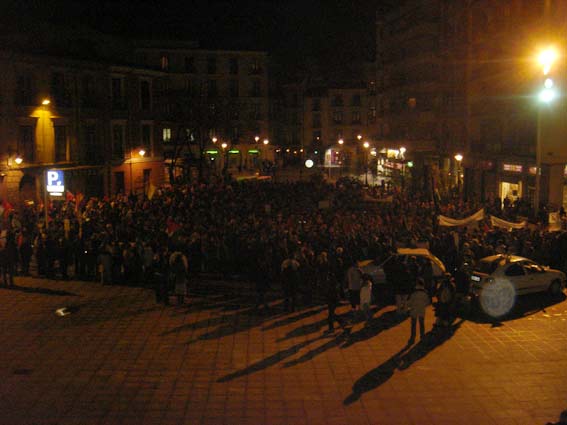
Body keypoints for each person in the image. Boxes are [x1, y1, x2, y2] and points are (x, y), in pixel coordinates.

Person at [407, 278, 430, 345]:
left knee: (413, 325)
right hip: (421, 310)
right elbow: (428, 302)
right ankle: (422, 337)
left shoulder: (413, 292)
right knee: (421, 324)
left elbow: (409, 302)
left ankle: (412, 337)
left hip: (414, 310)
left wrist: (409, 306)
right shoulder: (425, 292)